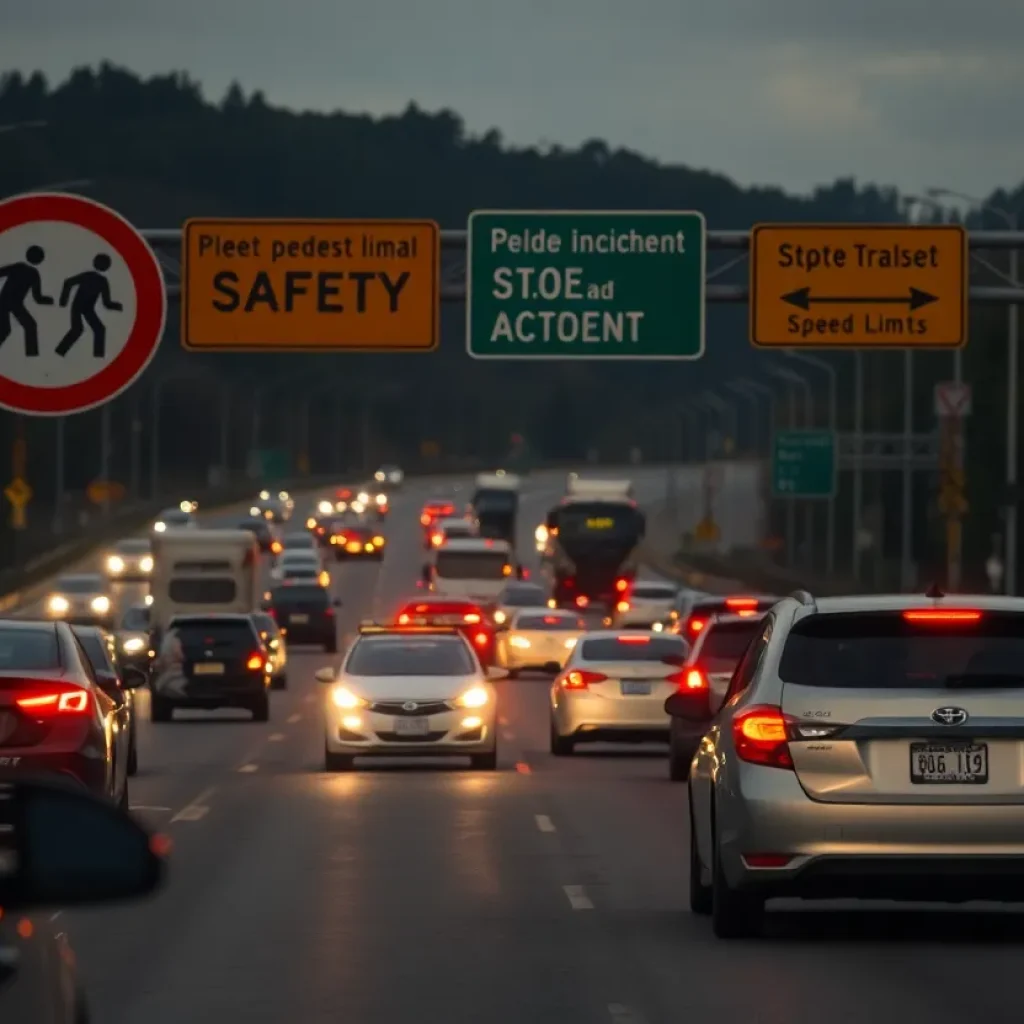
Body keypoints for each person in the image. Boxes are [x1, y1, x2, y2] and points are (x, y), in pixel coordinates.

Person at [56, 253, 123, 358]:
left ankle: (98, 356)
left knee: (99, 329)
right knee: (77, 330)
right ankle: (59, 352)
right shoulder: (90, 276)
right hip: (77, 307)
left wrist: (118, 306)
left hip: (88, 309)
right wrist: (63, 301)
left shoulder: (102, 281)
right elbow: (68, 282)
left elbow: (106, 302)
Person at [0, 244, 53, 356]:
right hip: (6, 303)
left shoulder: (22, 269)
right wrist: (49, 300)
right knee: (15, 328)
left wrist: (49, 301)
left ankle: (32, 356)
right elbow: (38, 298)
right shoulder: (33, 274)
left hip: (10, 303)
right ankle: (32, 355)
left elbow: (37, 298)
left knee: (28, 326)